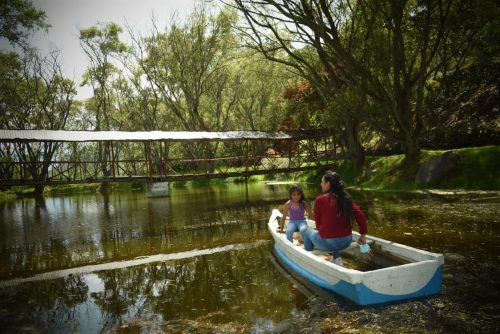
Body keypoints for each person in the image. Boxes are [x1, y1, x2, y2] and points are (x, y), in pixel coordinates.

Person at [302, 170, 368, 266]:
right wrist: (363, 235)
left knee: (307, 231)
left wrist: (323, 232)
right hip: (346, 241)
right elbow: (360, 215)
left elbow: (318, 224)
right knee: (332, 231)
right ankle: (336, 259)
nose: (321, 184)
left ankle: (308, 262)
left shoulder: (320, 200)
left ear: (328, 183)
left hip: (327, 244)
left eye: (322, 182)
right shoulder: (346, 198)